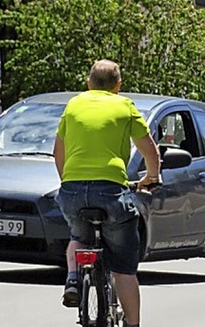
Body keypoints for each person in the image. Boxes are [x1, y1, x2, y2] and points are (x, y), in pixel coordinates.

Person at [53, 60, 160, 327]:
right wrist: (151, 177)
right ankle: (133, 324)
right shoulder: (124, 106)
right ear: (118, 86)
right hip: (111, 192)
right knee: (124, 267)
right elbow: (150, 151)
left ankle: (74, 279)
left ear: (88, 82)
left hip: (73, 190)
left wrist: (69, 182)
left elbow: (58, 152)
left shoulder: (74, 104)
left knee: (78, 235)